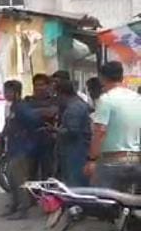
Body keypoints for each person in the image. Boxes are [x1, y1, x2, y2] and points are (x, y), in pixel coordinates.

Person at [84, 61, 141, 191]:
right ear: (122, 77)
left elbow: (100, 132)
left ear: (102, 78)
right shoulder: (137, 98)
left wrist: (92, 159)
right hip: (135, 161)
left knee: (104, 203)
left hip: (112, 162)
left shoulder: (106, 99)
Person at [2, 80, 41, 219]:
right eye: (5, 91)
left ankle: (23, 209)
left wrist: (25, 135)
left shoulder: (22, 108)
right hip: (13, 148)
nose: (6, 94)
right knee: (12, 179)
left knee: (19, 180)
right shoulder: (13, 107)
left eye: (9, 91)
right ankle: (15, 205)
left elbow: (34, 122)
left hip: (23, 149)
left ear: (17, 92)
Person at [57, 79, 92, 187]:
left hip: (75, 150)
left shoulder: (73, 108)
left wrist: (57, 131)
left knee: (75, 183)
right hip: (79, 149)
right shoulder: (80, 104)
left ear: (62, 94)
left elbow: (73, 131)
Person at [29, 73, 59, 181]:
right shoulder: (28, 100)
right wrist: (44, 111)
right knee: (31, 174)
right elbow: (24, 114)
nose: (39, 88)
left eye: (42, 85)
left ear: (48, 86)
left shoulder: (54, 100)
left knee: (50, 172)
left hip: (50, 142)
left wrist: (34, 112)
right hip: (31, 143)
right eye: (36, 85)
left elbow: (52, 112)